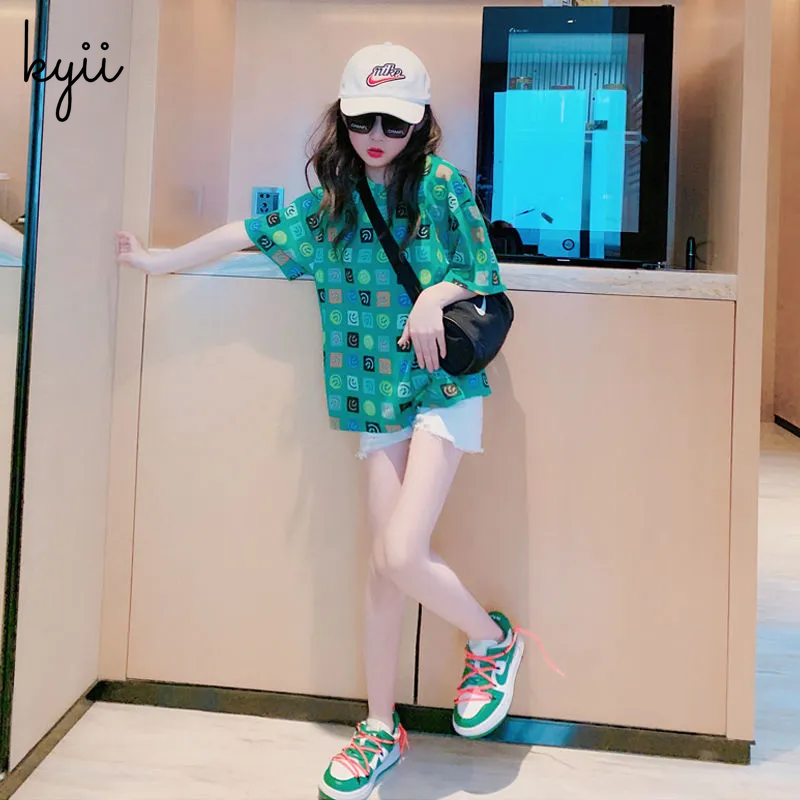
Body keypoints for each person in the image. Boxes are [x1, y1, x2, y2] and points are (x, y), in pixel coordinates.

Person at [117, 43, 541, 800]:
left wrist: (432, 296)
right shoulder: (331, 206)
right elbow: (247, 231)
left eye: (394, 124)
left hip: (442, 387)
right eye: (362, 120)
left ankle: (492, 640)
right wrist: (157, 261)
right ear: (341, 118)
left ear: (420, 124)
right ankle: (380, 727)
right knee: (383, 567)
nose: (377, 136)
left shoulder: (442, 186)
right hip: (375, 395)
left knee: (402, 551)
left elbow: (483, 273)